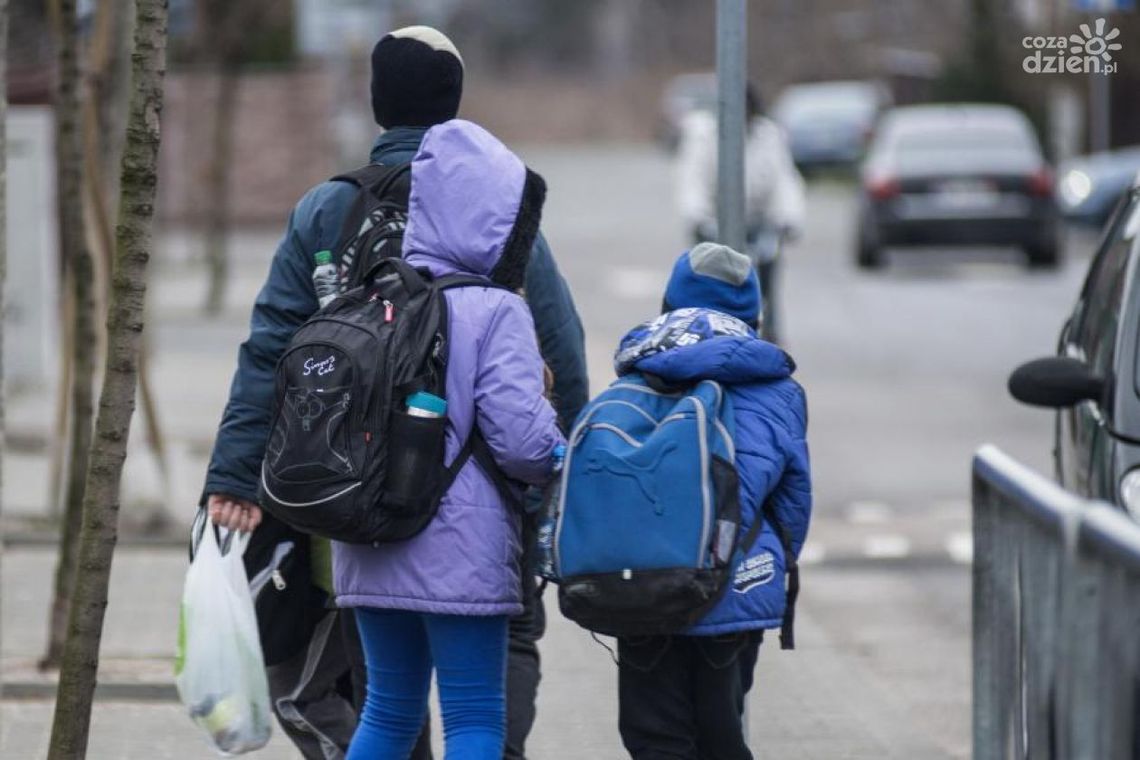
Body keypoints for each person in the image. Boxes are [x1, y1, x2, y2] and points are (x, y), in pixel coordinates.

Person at [202, 26, 588, 760]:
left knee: (382, 699)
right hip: (482, 515)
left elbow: (270, 351)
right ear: (455, 100)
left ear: (379, 103)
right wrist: (558, 494)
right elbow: (560, 358)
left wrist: (233, 475)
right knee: (485, 692)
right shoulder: (501, 219)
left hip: (351, 510)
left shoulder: (325, 211)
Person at [337, 118, 565, 758]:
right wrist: (563, 454)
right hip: (461, 551)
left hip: (368, 535)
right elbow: (522, 442)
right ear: (497, 219)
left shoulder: (373, 294)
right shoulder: (497, 310)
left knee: (386, 711)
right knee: (472, 720)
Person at [611, 243, 812, 760]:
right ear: (753, 316)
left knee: (654, 735)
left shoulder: (639, 370)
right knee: (721, 732)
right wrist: (766, 562)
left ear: (668, 304)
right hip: (733, 584)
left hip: (643, 583)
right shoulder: (778, 389)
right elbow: (793, 505)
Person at [674, 85, 805, 344]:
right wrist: (698, 219)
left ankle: (768, 336)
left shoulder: (769, 135)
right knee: (709, 283)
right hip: (714, 221)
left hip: (757, 219)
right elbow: (691, 179)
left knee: (765, 279)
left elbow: (784, 181)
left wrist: (787, 220)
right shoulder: (704, 134)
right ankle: (705, 335)